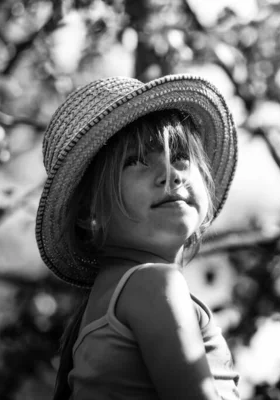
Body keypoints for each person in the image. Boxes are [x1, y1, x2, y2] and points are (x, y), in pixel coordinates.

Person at [35, 75, 239, 400]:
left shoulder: (113, 298)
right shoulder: (153, 284)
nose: (170, 173)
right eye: (136, 161)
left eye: (181, 156)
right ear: (89, 213)